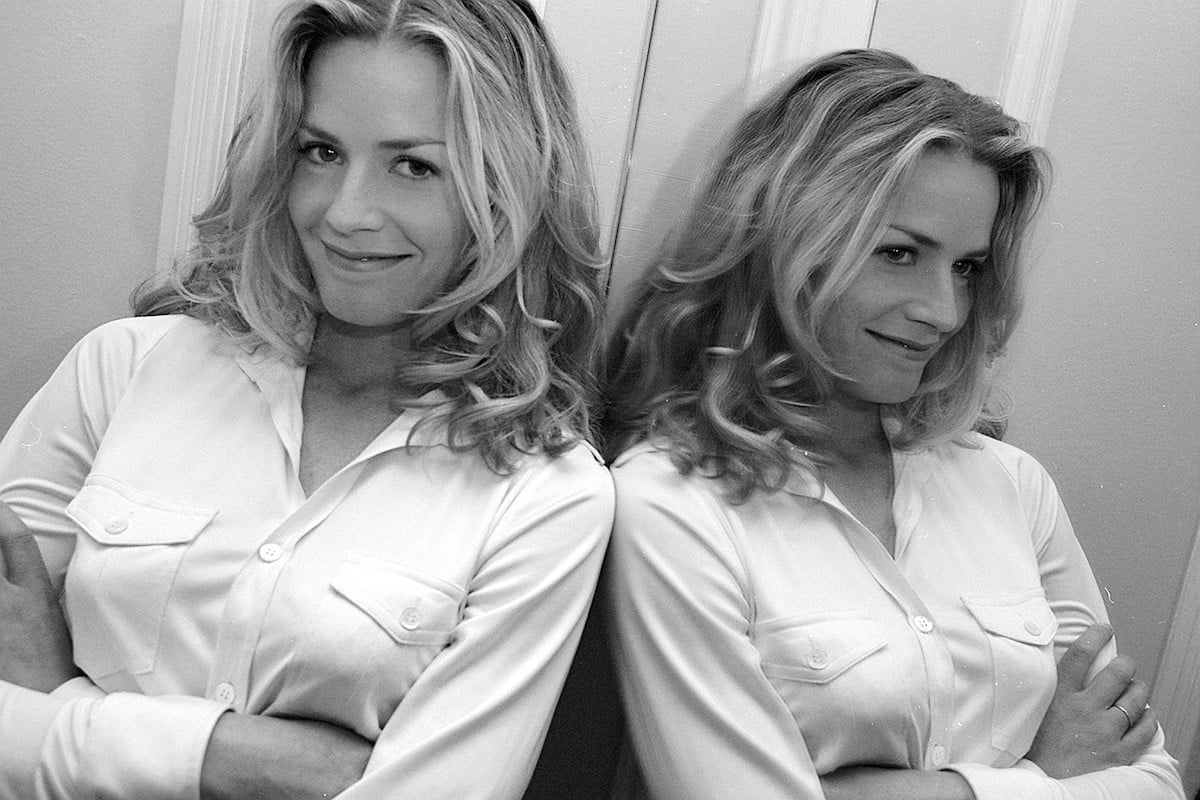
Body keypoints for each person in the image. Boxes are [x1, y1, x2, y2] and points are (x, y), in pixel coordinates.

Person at [0, 1, 614, 798]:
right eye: (320, 152)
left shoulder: (547, 496)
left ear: (507, 191)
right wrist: (238, 761)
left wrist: (55, 710)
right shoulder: (122, 371)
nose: (345, 213)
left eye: (414, 166)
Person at [603, 49, 1184, 800]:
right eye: (899, 253)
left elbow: (1153, 780)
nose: (943, 310)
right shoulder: (671, 502)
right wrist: (1038, 777)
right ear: (784, 243)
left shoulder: (1010, 486)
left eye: (967, 267)